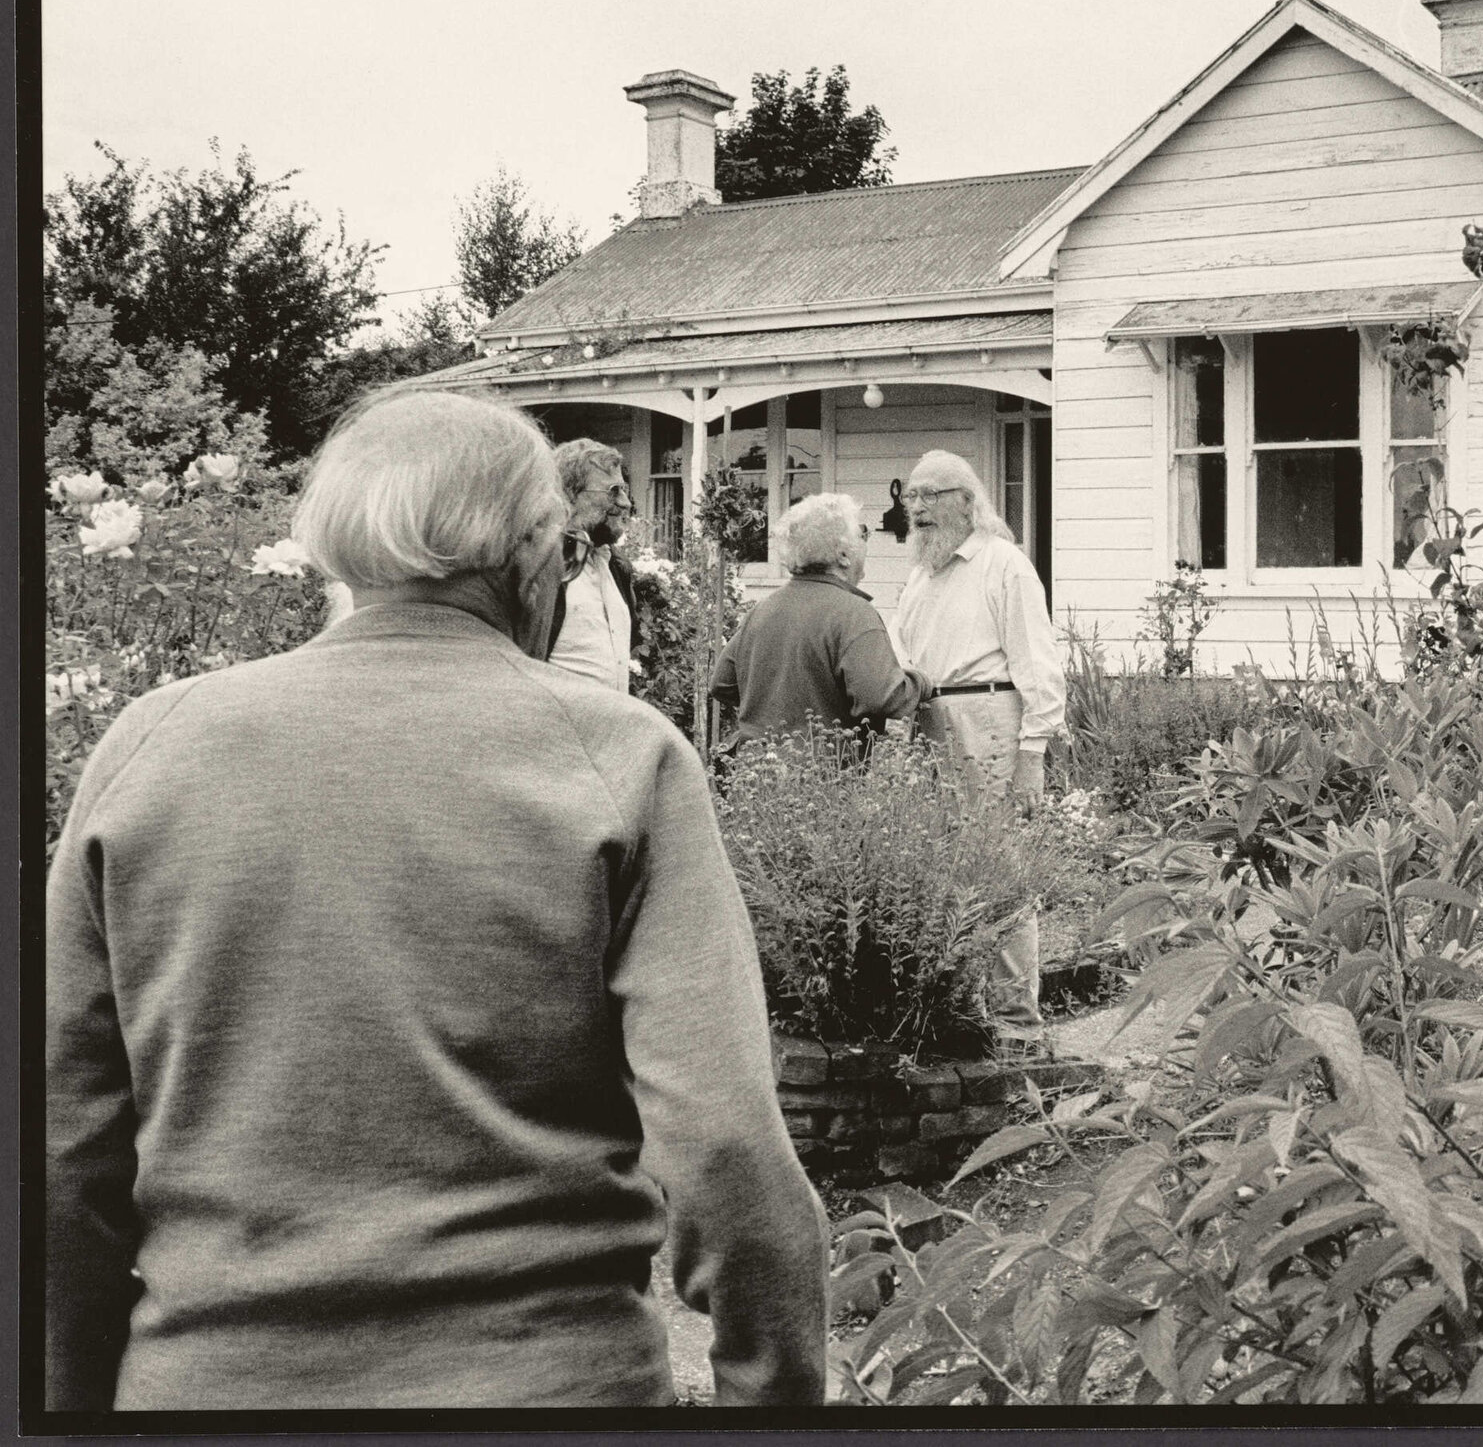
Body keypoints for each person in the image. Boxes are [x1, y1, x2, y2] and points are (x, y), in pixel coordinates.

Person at [45, 390, 828, 1411]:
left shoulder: (153, 745)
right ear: (538, 554)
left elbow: (61, 1142)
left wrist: (64, 1398)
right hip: (545, 1385)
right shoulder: (619, 758)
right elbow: (724, 1140)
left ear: (337, 554)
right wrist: (774, 1398)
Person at [893, 449, 1066, 1042]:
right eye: (910, 495)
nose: (915, 508)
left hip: (990, 715)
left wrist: (1032, 755)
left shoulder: (1003, 565)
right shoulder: (921, 574)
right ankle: (967, 1012)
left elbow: (1039, 665)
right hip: (931, 718)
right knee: (944, 869)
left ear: (967, 501)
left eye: (930, 495)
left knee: (1001, 867)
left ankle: (1018, 1021)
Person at [709, 493, 924, 750]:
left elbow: (722, 684)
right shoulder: (854, 613)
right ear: (843, 555)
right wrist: (922, 683)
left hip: (756, 773)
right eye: (862, 535)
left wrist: (778, 710)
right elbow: (882, 696)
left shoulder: (763, 609)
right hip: (824, 778)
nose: (866, 545)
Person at [547, 437, 638, 691]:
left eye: (624, 490)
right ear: (569, 495)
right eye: (613, 491)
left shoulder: (615, 566)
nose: (625, 503)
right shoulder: (544, 568)